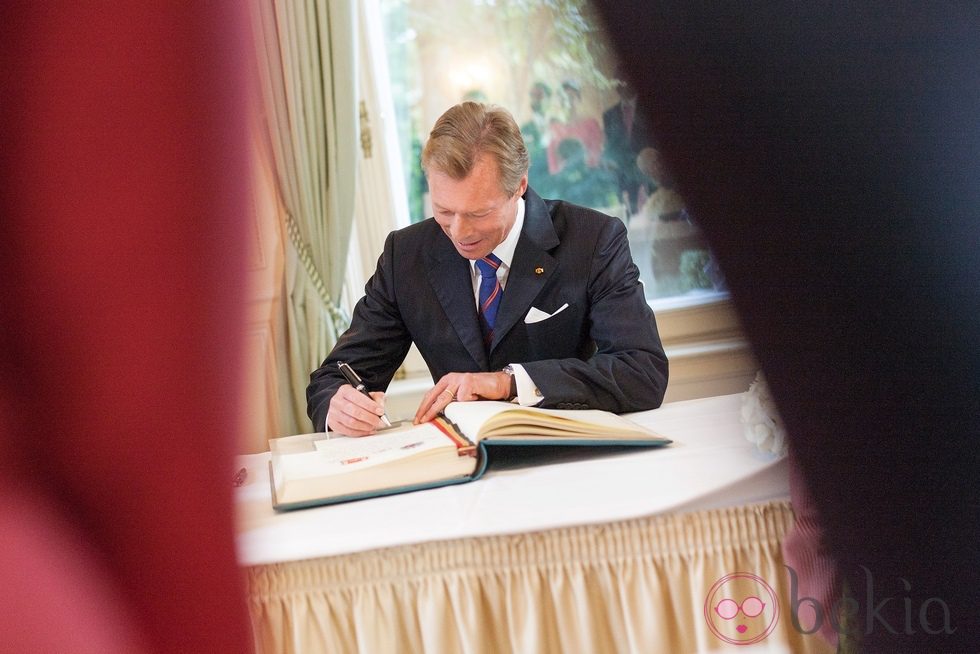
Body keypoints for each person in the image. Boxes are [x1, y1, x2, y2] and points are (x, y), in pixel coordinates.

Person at [307, 101, 668, 435]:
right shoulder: (406, 256)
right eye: (444, 211)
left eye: (479, 213)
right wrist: (337, 405)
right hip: (459, 468)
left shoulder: (593, 240)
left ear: (520, 187)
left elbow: (642, 371)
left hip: (569, 457)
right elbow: (333, 378)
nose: (459, 233)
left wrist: (508, 382)